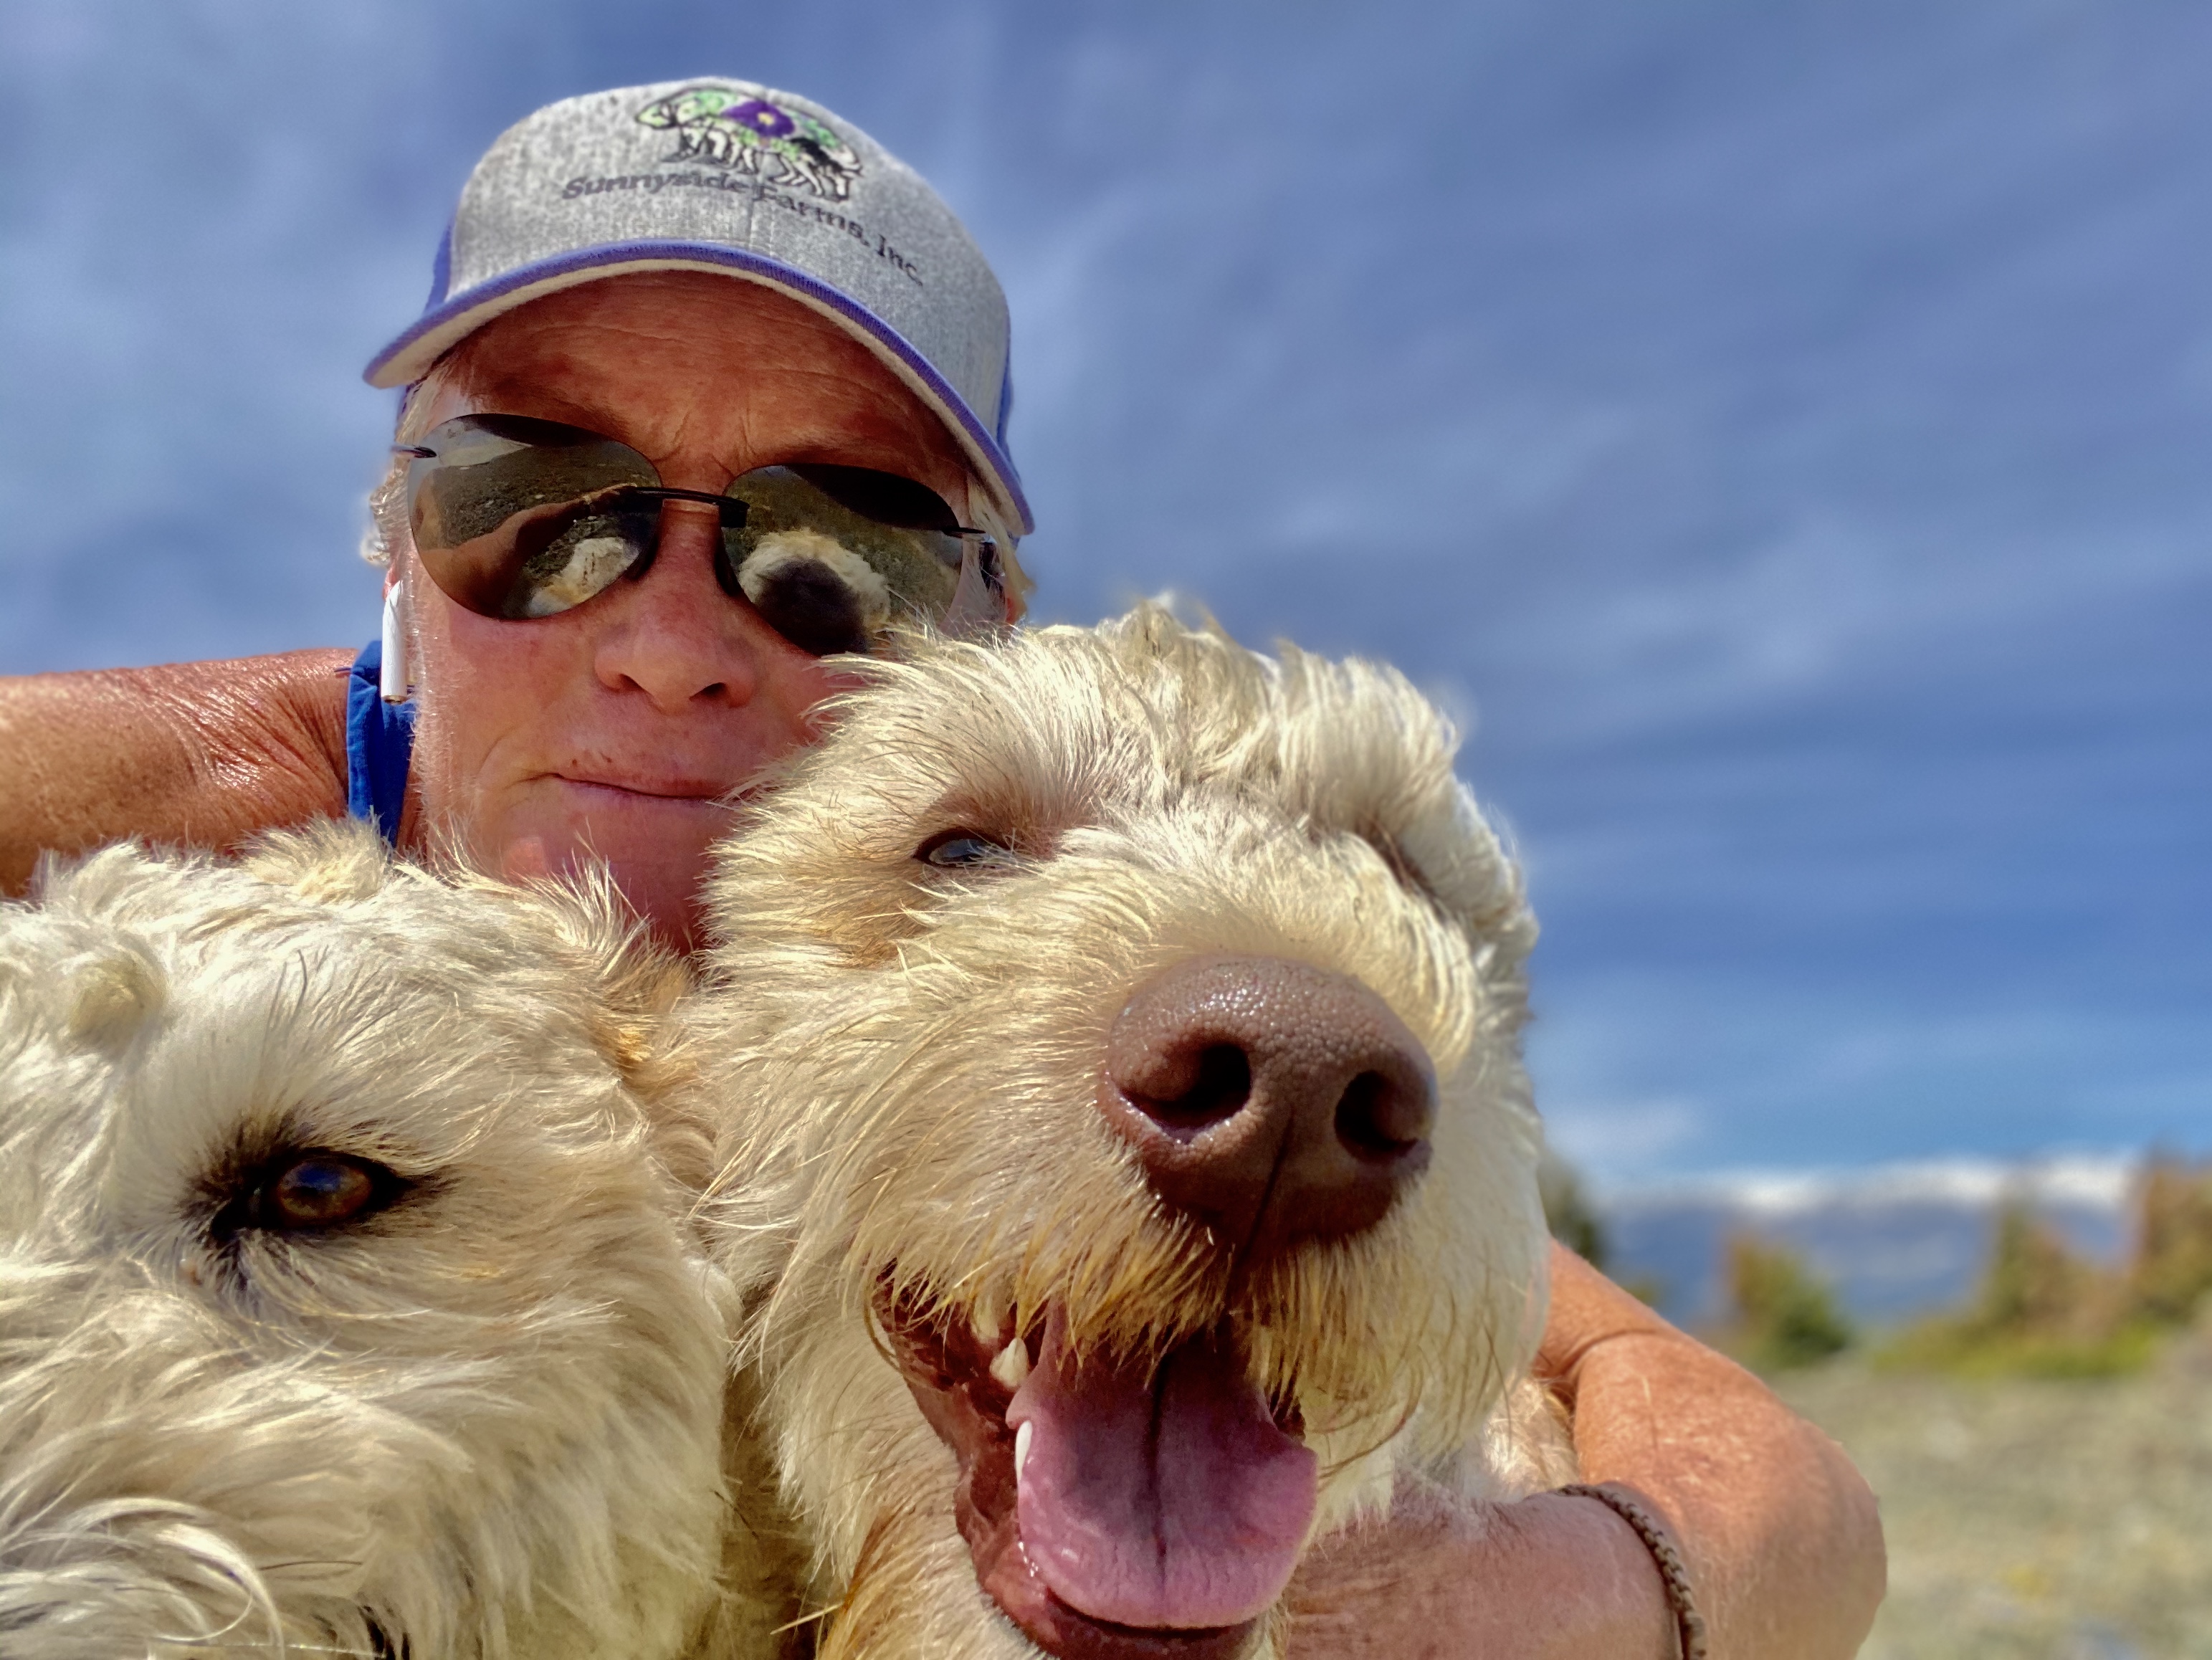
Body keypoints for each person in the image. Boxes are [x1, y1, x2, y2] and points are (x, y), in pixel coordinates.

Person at [0, 80, 1882, 1656]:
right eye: (535, 506)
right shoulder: (198, 845)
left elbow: (1771, 1480)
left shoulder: (1013, 990)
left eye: (840, 549)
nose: (669, 642)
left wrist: (1556, 1599)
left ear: (983, 629)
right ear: (397, 556)